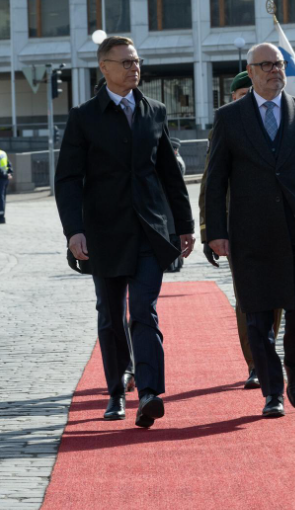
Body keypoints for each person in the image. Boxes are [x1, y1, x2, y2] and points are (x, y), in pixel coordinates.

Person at [55, 35, 195, 428]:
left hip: (151, 231)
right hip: (104, 233)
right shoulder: (84, 116)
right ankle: (116, 390)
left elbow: (170, 173)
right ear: (104, 68)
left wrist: (183, 226)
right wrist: (74, 231)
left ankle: (150, 391)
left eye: (136, 61)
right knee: (110, 315)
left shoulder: (155, 111)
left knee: (144, 311)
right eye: (125, 62)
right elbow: (67, 178)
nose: (134, 67)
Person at [205, 42, 295, 419]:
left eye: (278, 64)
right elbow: (215, 180)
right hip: (251, 237)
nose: (274, 71)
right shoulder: (230, 118)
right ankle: (272, 392)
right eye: (265, 65)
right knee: (258, 321)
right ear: (251, 70)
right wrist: (214, 231)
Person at [199, 70, 283, 390]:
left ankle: (268, 352)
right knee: (248, 296)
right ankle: (255, 363)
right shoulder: (227, 125)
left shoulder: (279, 125)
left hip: (276, 226)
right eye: (240, 97)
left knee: (275, 294)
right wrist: (210, 231)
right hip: (239, 228)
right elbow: (212, 184)